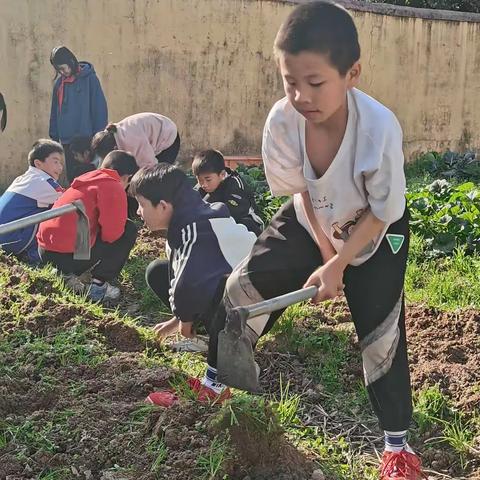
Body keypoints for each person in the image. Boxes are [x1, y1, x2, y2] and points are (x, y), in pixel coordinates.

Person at [174, 3, 423, 479]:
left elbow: (382, 212)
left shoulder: (377, 127)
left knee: (381, 337)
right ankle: (215, 385)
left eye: (315, 82)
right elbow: (302, 190)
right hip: (315, 217)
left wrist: (340, 264)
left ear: (352, 73)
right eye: (290, 81)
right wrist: (326, 251)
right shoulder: (283, 120)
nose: (301, 95)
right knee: (239, 292)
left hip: (376, 231)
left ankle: (397, 449)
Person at [128, 163, 256, 403]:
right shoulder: (186, 221)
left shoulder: (196, 229)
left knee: (221, 293)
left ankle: (215, 387)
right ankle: (211, 338)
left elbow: (190, 283)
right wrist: (177, 319)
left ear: (164, 206)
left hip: (258, 301)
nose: (138, 212)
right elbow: (182, 273)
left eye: (141, 205)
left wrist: (185, 320)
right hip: (240, 294)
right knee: (158, 271)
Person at [37, 151, 138, 302]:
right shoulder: (113, 186)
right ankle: (99, 286)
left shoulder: (86, 180)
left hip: (44, 252)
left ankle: (65, 273)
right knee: (128, 229)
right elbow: (113, 235)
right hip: (67, 256)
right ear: (127, 177)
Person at [49, 46, 108, 184]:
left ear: (71, 62)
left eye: (64, 68)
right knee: (74, 179)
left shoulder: (90, 80)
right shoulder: (59, 84)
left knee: (90, 178)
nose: (62, 72)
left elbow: (99, 108)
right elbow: (55, 111)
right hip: (67, 142)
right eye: (59, 70)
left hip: (87, 140)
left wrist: (97, 137)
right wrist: (54, 134)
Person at [0, 140, 64, 265]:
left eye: (61, 163)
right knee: (62, 213)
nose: (60, 167)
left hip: (4, 235)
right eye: (55, 161)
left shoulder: (24, 178)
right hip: (10, 240)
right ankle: (34, 256)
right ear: (38, 163)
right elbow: (71, 200)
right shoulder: (44, 181)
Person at [192, 149, 264, 235]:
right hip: (217, 223)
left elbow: (236, 210)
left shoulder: (235, 184)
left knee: (244, 223)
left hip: (245, 222)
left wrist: (205, 212)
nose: (204, 185)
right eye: (200, 180)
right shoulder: (200, 188)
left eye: (208, 180)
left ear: (222, 175)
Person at [91, 113, 180, 168]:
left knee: (157, 178)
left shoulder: (131, 141)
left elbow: (150, 165)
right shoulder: (110, 135)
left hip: (168, 137)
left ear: (114, 148)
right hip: (155, 132)